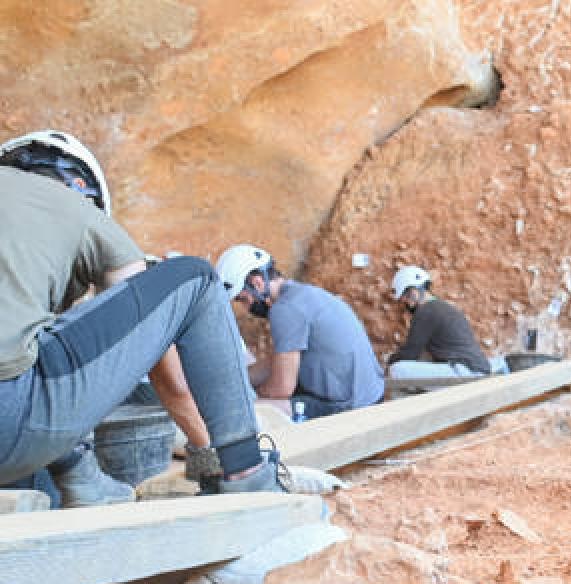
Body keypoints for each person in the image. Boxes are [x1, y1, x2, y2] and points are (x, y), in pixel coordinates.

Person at [0, 130, 287, 502]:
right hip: (11, 422)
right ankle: (248, 472)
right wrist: (203, 451)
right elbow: (153, 351)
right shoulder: (74, 207)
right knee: (195, 278)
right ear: (80, 185)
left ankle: (80, 478)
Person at [215, 244, 385, 419]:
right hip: (371, 397)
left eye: (243, 299)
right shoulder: (302, 295)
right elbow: (278, 362)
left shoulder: (284, 310)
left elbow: (281, 388)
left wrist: (250, 395)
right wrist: (238, 379)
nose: (246, 306)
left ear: (257, 284)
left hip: (351, 409)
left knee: (247, 410)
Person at [387, 265, 495, 379]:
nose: (404, 301)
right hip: (475, 369)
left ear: (414, 291)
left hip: (466, 372)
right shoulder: (441, 306)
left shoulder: (425, 311)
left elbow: (409, 354)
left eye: (405, 296)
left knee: (397, 370)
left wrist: (389, 362)